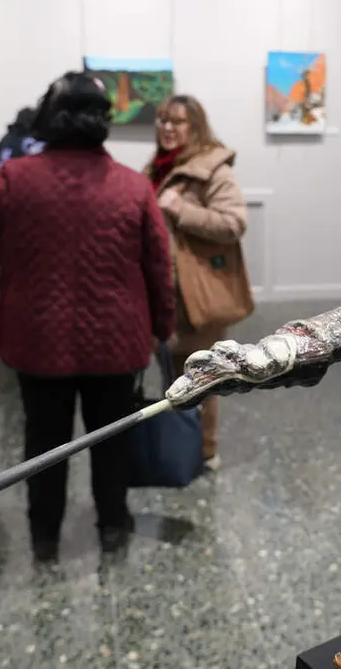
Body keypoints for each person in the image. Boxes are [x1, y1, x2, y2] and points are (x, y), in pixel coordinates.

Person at [0, 72, 174, 561]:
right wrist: (162, 328)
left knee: (43, 443)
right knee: (111, 438)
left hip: (38, 341)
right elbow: (158, 266)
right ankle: (112, 524)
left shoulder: (12, 180)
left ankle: (44, 533)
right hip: (116, 340)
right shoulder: (133, 187)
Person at [146, 94, 252, 471]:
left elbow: (234, 222)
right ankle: (179, 444)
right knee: (172, 376)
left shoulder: (212, 169)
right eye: (162, 120)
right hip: (162, 294)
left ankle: (204, 451)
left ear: (196, 127)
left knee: (200, 377)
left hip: (195, 297)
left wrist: (181, 209)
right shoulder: (155, 169)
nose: (168, 128)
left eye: (177, 122)